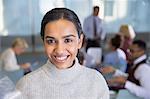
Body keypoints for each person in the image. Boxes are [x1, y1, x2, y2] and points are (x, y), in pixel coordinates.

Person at [16, 8, 109, 99]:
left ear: (80, 41)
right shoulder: (26, 85)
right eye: (51, 41)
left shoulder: (96, 82)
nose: (59, 51)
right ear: (44, 42)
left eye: (68, 40)